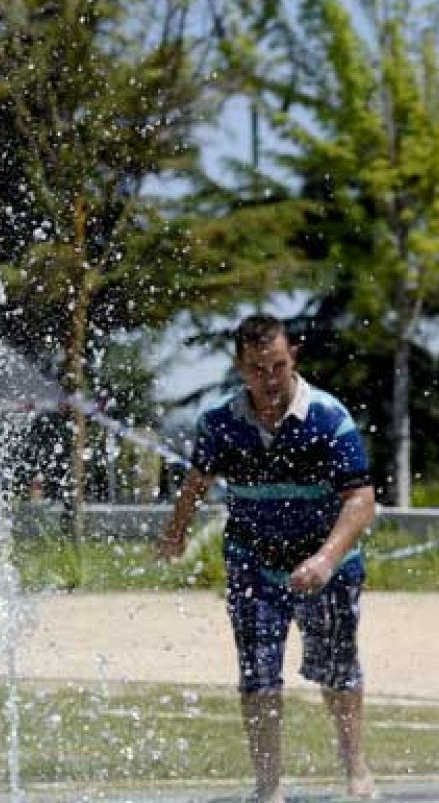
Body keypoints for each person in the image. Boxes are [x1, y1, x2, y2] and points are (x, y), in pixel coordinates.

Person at [157, 314, 377, 802]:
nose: (270, 380)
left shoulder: (327, 417)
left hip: (330, 569)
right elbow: (197, 482)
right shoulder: (218, 423)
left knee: (337, 673)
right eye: (257, 369)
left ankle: (355, 768)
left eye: (277, 366)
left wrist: (323, 560)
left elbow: (361, 502)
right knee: (258, 677)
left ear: (292, 356)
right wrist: (174, 534)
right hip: (252, 564)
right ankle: (268, 787)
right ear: (240, 366)